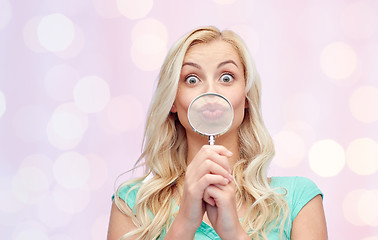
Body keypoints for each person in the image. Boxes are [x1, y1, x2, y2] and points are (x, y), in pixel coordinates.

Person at [107, 26, 328, 240]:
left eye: (226, 77)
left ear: (246, 96)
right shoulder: (133, 204)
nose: (210, 91)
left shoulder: (298, 201)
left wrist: (234, 233)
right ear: (173, 101)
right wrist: (184, 223)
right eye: (192, 79)